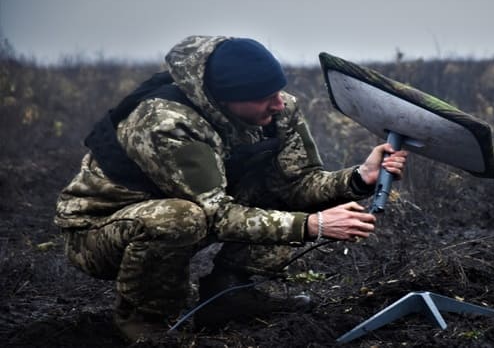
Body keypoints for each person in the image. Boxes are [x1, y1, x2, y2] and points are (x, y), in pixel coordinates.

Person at [54, 35, 408, 342]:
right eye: (263, 96)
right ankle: (143, 320)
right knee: (180, 217)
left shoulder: (279, 112)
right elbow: (216, 214)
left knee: (268, 184)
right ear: (224, 98)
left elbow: (299, 183)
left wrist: (359, 177)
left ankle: (230, 294)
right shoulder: (165, 122)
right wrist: (312, 225)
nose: (279, 103)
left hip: (194, 211)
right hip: (99, 232)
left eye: (278, 91)